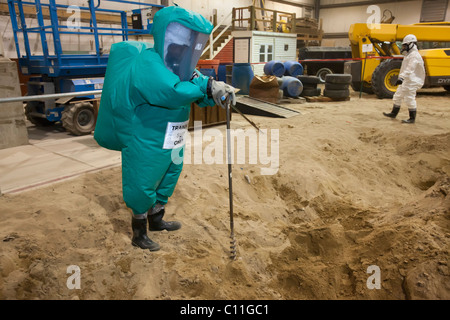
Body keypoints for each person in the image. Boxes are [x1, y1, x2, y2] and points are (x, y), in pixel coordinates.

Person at [94, 5, 236, 251]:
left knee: (169, 175)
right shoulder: (148, 63)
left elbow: (194, 82)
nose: (185, 46)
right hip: (145, 137)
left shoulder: (179, 65)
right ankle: (139, 232)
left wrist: (214, 90)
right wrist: (206, 87)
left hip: (173, 135)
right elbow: (171, 91)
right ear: (166, 35)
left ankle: (157, 219)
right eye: (181, 38)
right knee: (142, 180)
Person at [383, 34, 425, 123]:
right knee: (397, 96)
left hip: (413, 81)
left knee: (409, 98)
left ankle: (412, 118)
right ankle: (393, 113)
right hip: (407, 80)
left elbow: (410, 69)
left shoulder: (414, 56)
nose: (403, 47)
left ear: (411, 44)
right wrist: (402, 78)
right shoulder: (408, 55)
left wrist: (401, 78)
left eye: (404, 45)